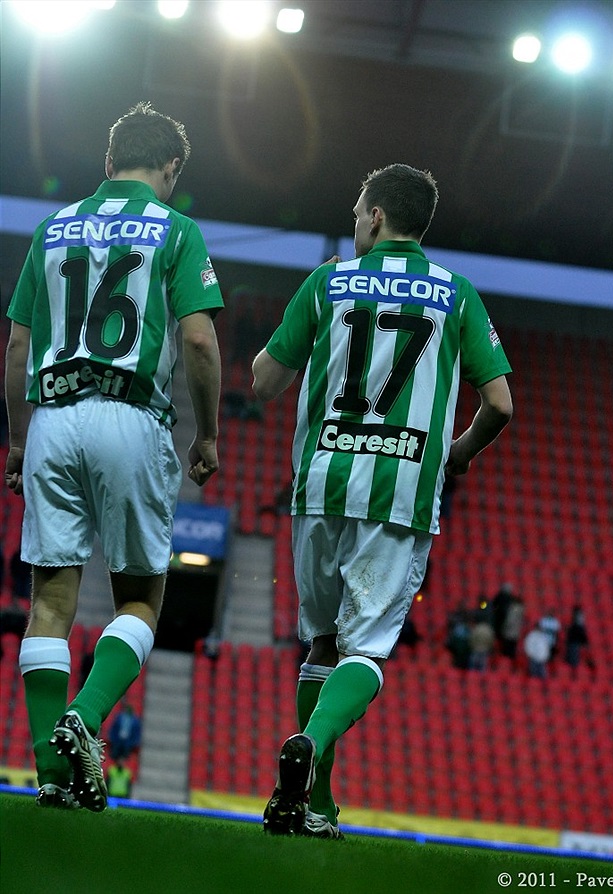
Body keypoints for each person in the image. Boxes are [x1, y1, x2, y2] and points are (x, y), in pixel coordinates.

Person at [252, 163, 513, 837]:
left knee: (320, 642)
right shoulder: (456, 295)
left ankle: (315, 802)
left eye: (356, 208)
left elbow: (264, 382)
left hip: (321, 484)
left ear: (374, 217)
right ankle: (309, 758)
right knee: (364, 653)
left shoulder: (329, 280)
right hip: (399, 491)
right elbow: (500, 405)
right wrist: (457, 452)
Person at [4, 101, 223, 812]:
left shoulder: (53, 226)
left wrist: (14, 438)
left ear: (106, 161)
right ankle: (85, 717)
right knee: (140, 597)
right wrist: (208, 433)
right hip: (130, 415)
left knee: (50, 601)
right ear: (171, 170)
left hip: (53, 416)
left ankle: (49, 771)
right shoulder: (178, 229)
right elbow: (196, 341)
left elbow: (14, 348)